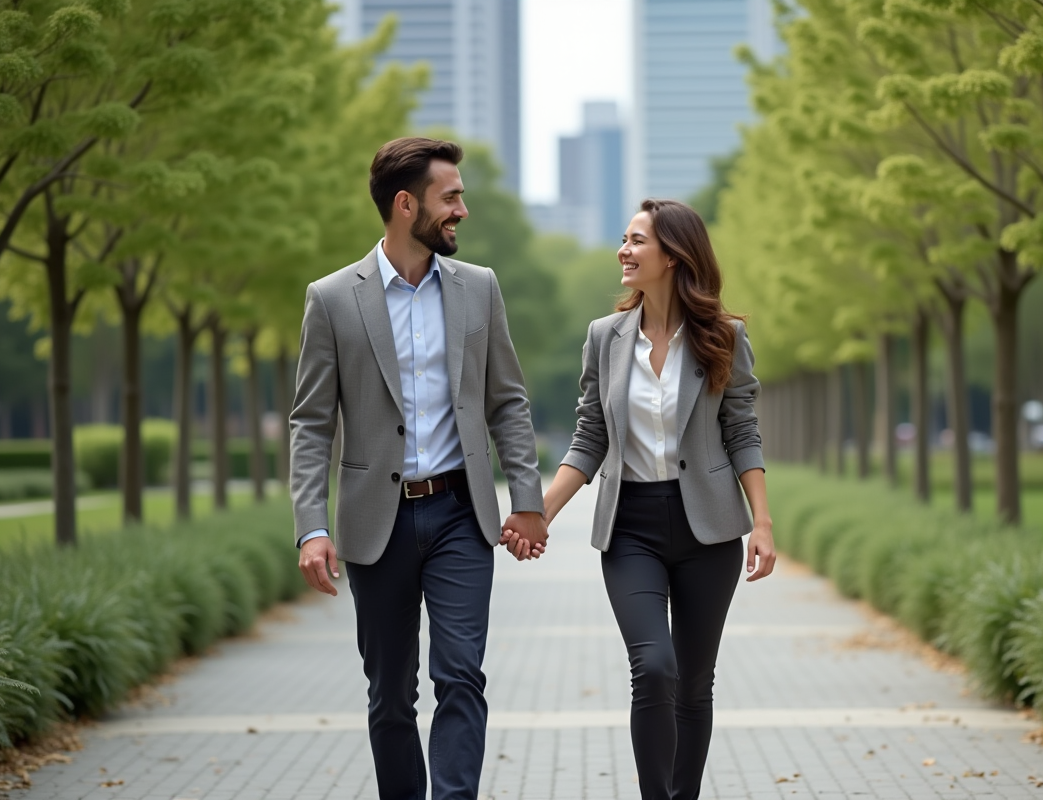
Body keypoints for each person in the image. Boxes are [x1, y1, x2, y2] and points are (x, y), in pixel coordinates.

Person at [289, 137, 548, 800]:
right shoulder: (331, 299)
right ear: (407, 205)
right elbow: (311, 424)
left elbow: (508, 402)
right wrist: (310, 527)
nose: (462, 208)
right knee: (390, 696)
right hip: (378, 522)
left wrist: (527, 499)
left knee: (461, 676)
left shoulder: (478, 289)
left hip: (462, 512)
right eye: (450, 196)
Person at [504, 198, 777, 800]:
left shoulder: (724, 336)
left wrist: (761, 522)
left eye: (636, 241)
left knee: (694, 684)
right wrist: (538, 514)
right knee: (654, 668)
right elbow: (589, 436)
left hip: (709, 529)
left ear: (675, 257)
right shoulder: (605, 337)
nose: (623, 251)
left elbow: (742, 431)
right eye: (624, 240)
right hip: (631, 527)